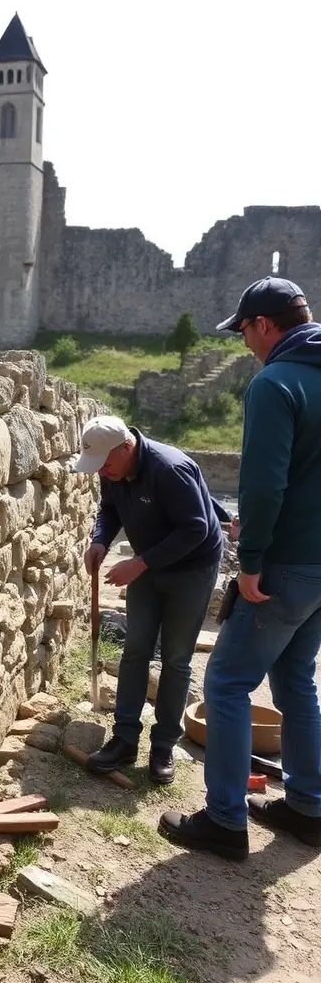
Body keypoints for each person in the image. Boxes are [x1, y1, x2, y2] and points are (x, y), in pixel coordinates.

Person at [159, 277, 321, 859]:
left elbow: (263, 483)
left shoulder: (275, 383)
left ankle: (224, 820)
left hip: (287, 563)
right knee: (297, 679)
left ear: (264, 325)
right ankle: (308, 807)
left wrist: (250, 560)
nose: (245, 344)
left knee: (226, 682)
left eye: (245, 331)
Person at [74, 415, 223, 783]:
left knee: (175, 657)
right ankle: (124, 739)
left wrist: (140, 563)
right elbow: (108, 510)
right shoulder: (111, 470)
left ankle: (164, 745)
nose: (102, 472)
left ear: (127, 447)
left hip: (192, 568)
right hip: (147, 564)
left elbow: (196, 528)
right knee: (136, 648)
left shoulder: (170, 469)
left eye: (106, 464)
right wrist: (100, 540)